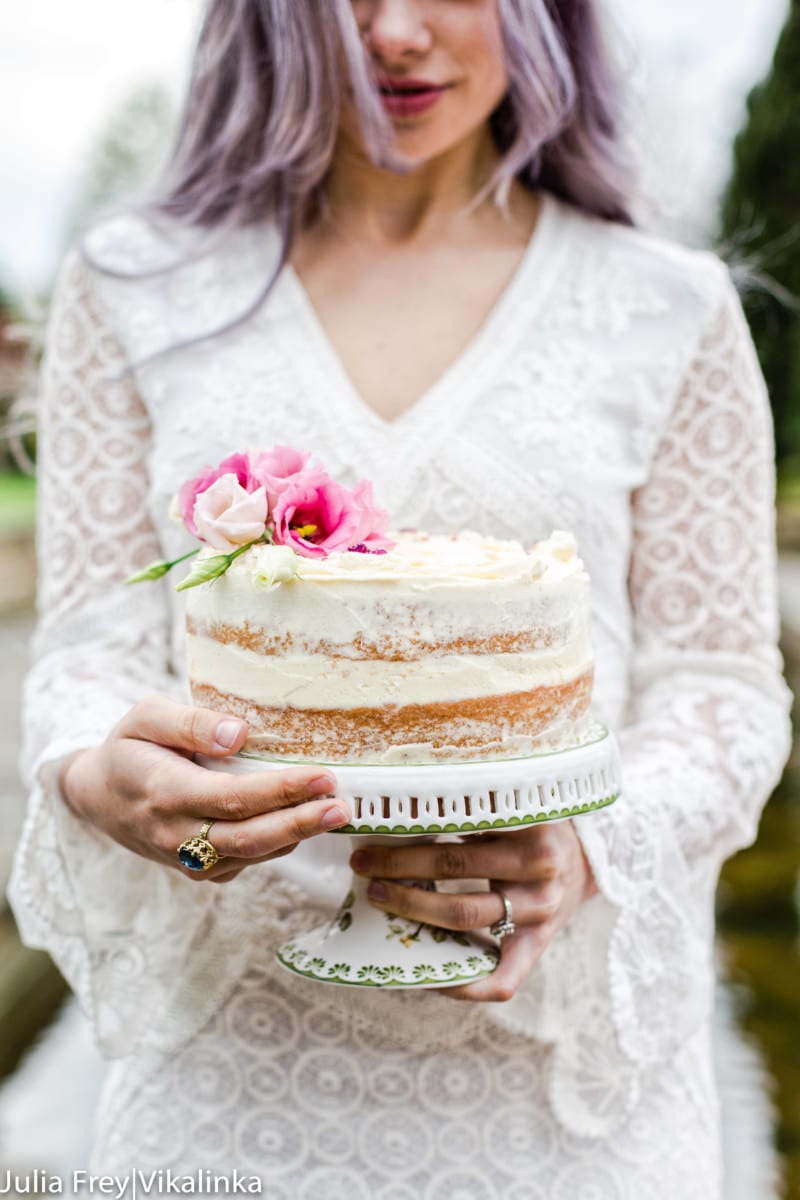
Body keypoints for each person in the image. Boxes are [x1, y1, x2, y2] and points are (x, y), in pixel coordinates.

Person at [8, 0, 793, 1195]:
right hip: (232, 1077)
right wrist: (92, 766)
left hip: (560, 1103)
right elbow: (87, 646)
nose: (395, 35)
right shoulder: (137, 287)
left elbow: (721, 687)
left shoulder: (664, 309)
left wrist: (586, 846)